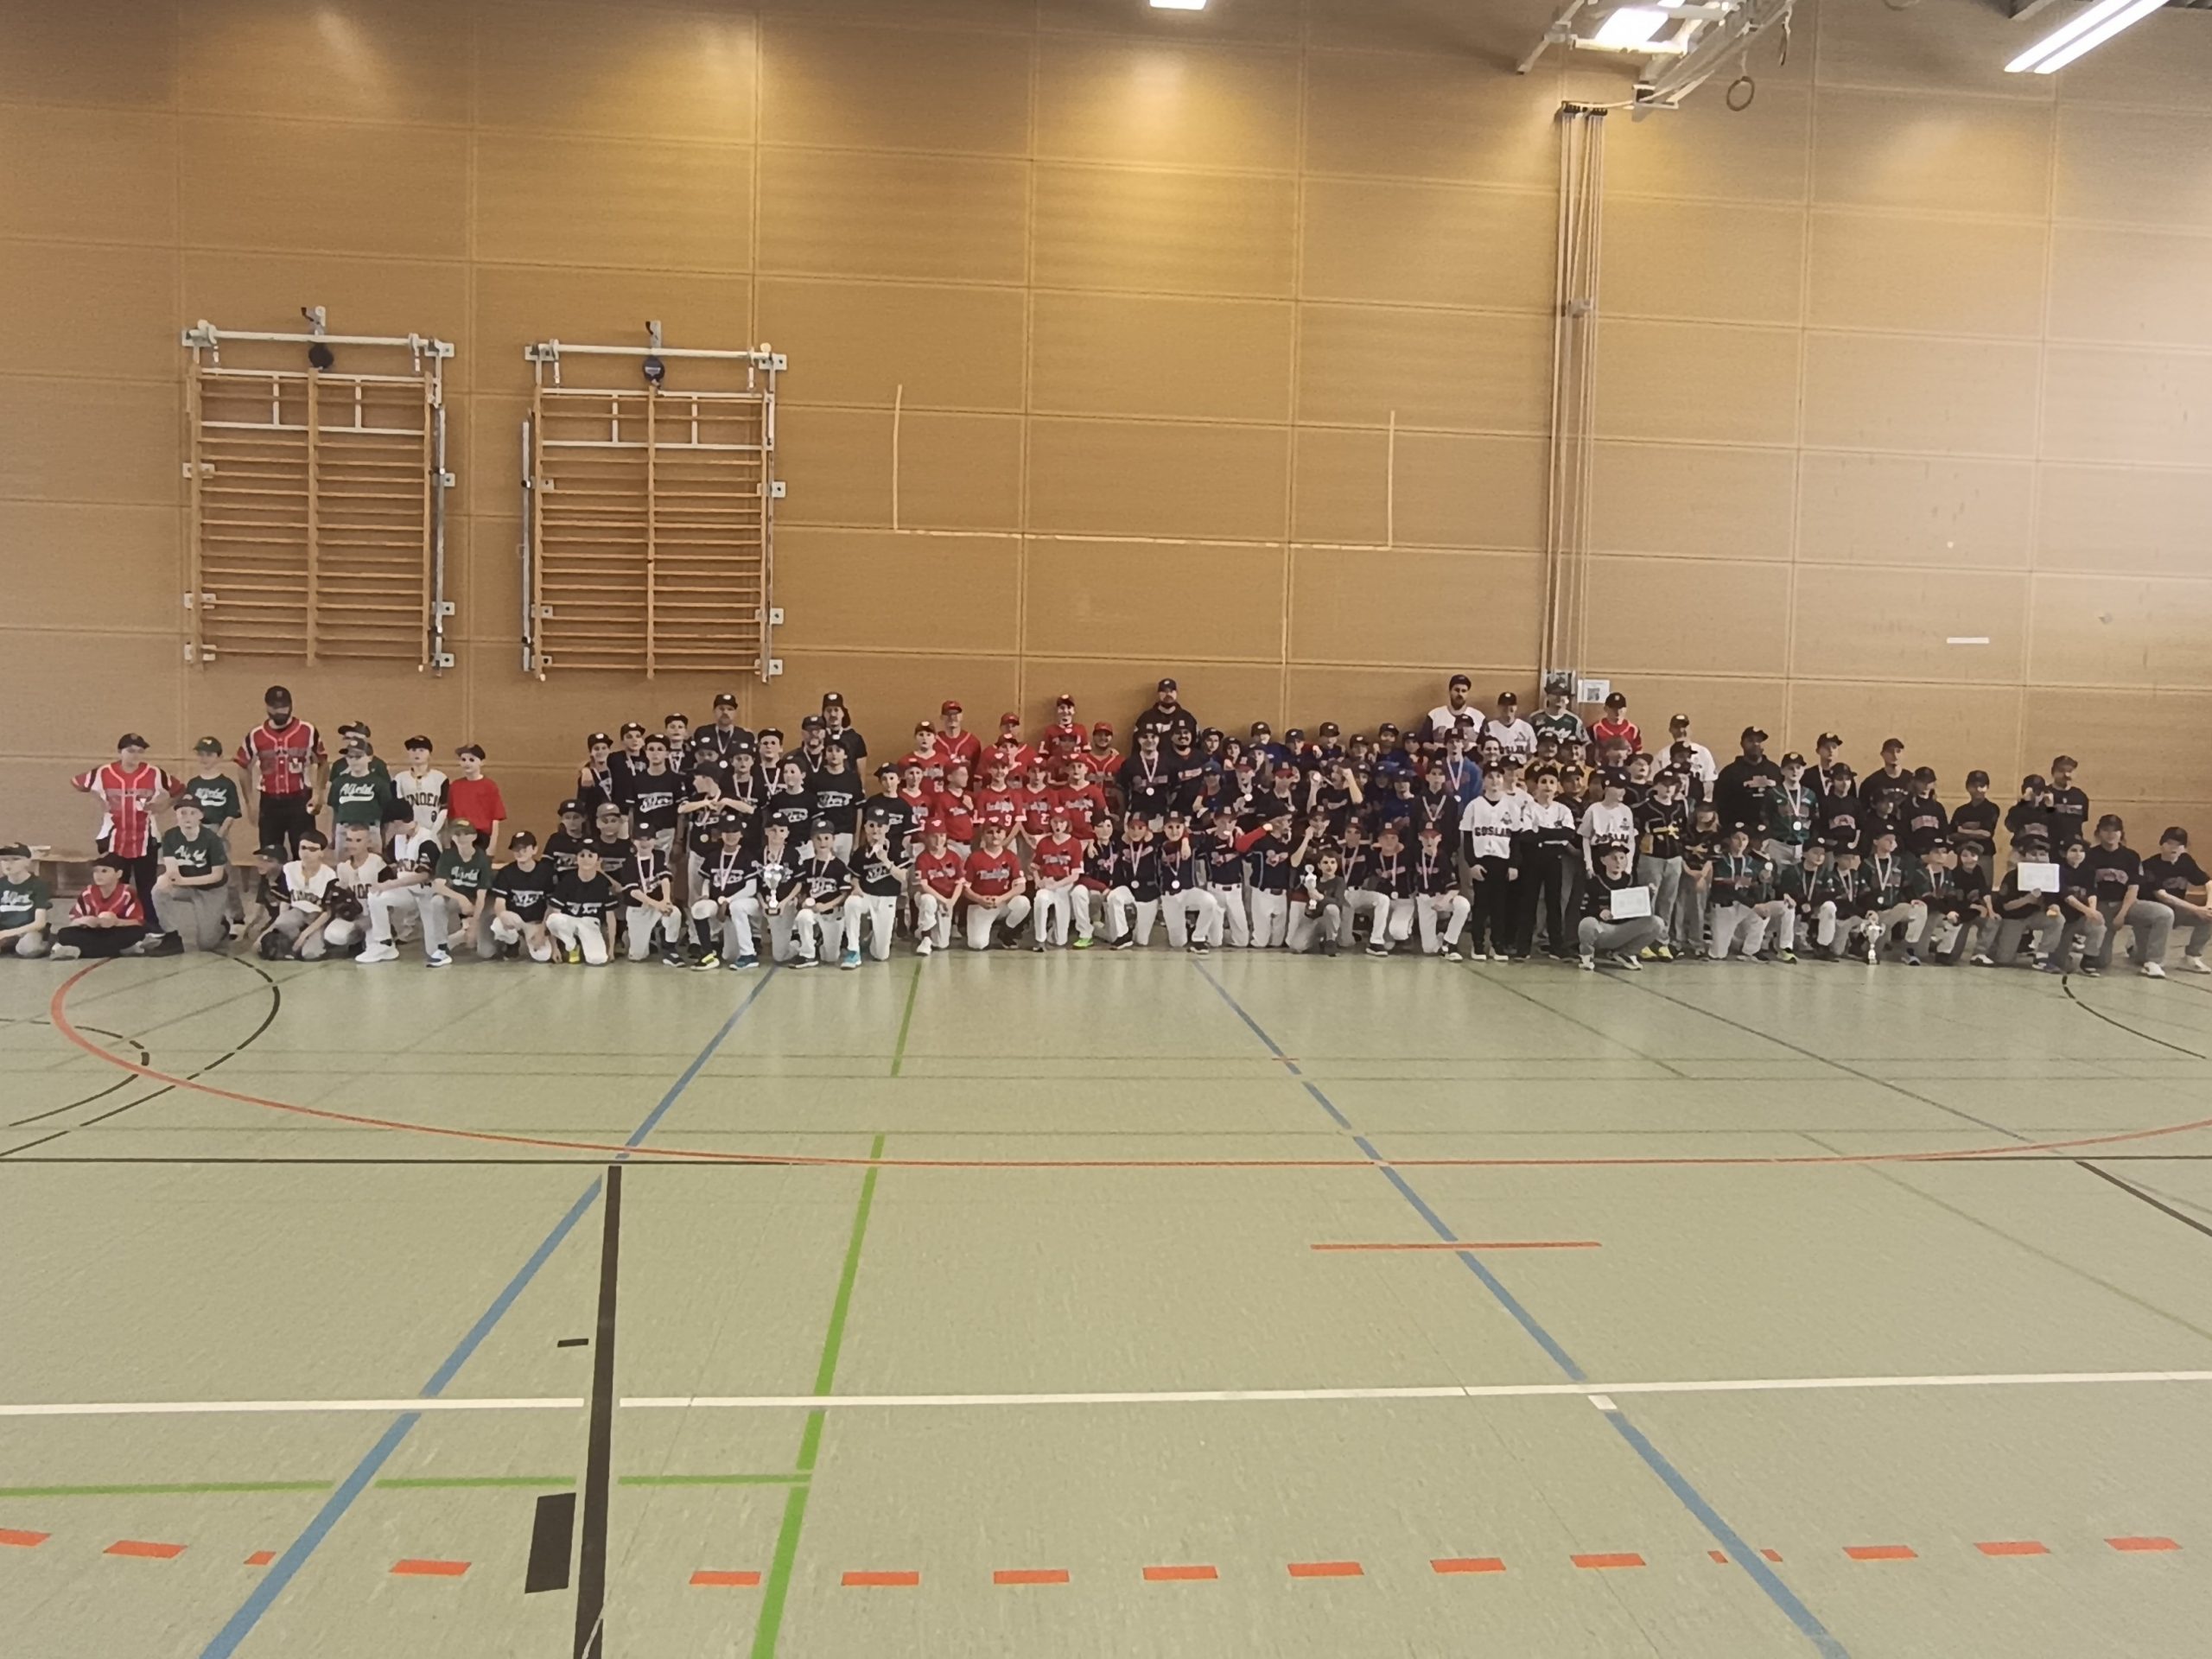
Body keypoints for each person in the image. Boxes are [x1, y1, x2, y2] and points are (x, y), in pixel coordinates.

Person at [72, 732, 175, 933]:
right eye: (130, 751)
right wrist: (98, 798)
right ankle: (115, 923)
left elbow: (178, 789)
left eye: (140, 751)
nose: (135, 755)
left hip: (146, 837)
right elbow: (78, 782)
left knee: (147, 885)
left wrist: (163, 806)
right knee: (115, 883)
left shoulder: (154, 773)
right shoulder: (103, 772)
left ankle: (149, 924)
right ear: (120, 751)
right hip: (112, 837)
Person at [238, 685, 323, 858]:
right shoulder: (256, 735)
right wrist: (250, 802)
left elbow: (322, 761)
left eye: (284, 706)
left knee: (303, 851)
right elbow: (242, 765)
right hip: (270, 802)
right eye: (275, 707)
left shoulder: (307, 730)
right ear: (267, 707)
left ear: (291, 706)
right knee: (270, 854)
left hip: (300, 799)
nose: (280, 711)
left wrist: (318, 793)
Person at [2082, 815, 2171, 978]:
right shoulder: (2090, 855)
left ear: (2121, 833)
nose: (2111, 834)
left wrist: (2122, 914)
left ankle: (2154, 962)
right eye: (2106, 830)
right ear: (2099, 832)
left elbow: (2133, 888)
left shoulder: (2131, 856)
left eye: (2115, 830)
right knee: (2101, 962)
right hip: (2102, 907)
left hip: (2127, 905)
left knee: (2164, 914)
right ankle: (2132, 948)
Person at [359, 812, 442, 966]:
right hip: (407, 892)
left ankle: (448, 944)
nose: (387, 829)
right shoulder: (398, 839)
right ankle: (384, 944)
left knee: (435, 952)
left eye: (389, 824)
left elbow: (424, 875)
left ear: (397, 822)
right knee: (376, 896)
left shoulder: (427, 840)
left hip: (429, 894)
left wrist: (390, 884)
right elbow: (391, 864)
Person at [149, 796, 232, 954]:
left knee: (205, 943)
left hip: (211, 889)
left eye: (193, 813)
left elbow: (216, 875)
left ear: (201, 815)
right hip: (185, 885)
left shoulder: (212, 839)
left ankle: (221, 926)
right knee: (159, 890)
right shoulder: (171, 836)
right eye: (183, 813)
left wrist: (182, 881)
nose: (187, 817)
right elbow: (172, 869)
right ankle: (172, 934)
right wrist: (168, 878)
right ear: (176, 815)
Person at [690, 811, 762, 970]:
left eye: (735, 831)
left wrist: (728, 901)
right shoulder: (713, 856)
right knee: (698, 909)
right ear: (720, 834)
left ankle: (749, 955)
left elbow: (751, 888)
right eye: (727, 831)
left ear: (741, 834)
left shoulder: (748, 856)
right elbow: (707, 879)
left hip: (743, 902)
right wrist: (705, 894)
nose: (731, 835)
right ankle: (707, 954)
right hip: (719, 902)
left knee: (737, 908)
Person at [268, 832, 352, 962]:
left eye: (312, 849)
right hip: (297, 913)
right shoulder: (289, 869)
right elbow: (285, 900)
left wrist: (304, 934)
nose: (306, 852)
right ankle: (295, 942)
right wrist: (280, 928)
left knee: (310, 954)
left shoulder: (329, 875)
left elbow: (327, 912)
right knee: (282, 922)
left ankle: (324, 943)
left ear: (321, 853)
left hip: (318, 918)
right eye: (303, 848)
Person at [1577, 842, 1662, 971]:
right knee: (1587, 923)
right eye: (1613, 858)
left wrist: (1648, 895)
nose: (1618, 862)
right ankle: (1587, 956)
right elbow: (1583, 909)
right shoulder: (1594, 882)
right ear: (1603, 860)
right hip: (1603, 930)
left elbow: (1639, 912)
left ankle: (1626, 953)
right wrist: (1599, 912)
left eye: (1622, 858)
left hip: (1624, 930)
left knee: (1657, 923)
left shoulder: (1632, 882)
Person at [48, 855, 149, 959]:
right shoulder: (88, 892)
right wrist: (84, 921)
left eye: (104, 871)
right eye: (95, 871)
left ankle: (81, 951)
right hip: (92, 933)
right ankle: (119, 950)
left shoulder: (127, 892)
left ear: (119, 874)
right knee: (64, 934)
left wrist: (116, 922)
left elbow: (138, 922)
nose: (98, 875)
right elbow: (73, 922)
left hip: (115, 931)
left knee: (137, 932)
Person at [2139, 829, 2209, 973]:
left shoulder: (2186, 861)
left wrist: (2208, 907)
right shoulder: (2149, 865)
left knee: (2209, 916)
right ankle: (2134, 945)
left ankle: (2192, 956)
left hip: (2177, 911)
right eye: (2170, 843)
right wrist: (2197, 909)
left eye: (2179, 845)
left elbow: (2209, 883)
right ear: (2162, 844)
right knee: (2139, 958)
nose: (2174, 848)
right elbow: (2162, 896)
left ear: (2185, 848)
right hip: (2153, 917)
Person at [842, 809, 906, 966]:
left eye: (880, 825)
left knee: (881, 955)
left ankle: (874, 937)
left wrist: (886, 861)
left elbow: (904, 877)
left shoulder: (896, 849)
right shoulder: (861, 852)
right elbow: (854, 876)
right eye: (872, 825)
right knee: (851, 903)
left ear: (887, 828)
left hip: (887, 898)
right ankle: (853, 950)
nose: (876, 830)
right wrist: (856, 887)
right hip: (867, 896)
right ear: (865, 827)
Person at [788, 819, 854, 968]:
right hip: (813, 911)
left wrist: (826, 905)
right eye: (818, 838)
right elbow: (801, 890)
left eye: (826, 838)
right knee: (803, 915)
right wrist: (803, 902)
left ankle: (819, 940)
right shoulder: (806, 865)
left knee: (830, 958)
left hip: (832, 913)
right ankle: (807, 954)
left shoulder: (839, 866)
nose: (822, 842)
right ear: (812, 840)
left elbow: (844, 894)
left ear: (833, 840)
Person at [431, 819, 497, 961]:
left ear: (474, 837)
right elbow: (438, 886)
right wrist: (461, 898)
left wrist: (474, 925)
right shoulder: (448, 856)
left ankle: (466, 934)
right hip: (460, 900)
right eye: (457, 834)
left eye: (466, 834)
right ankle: (442, 947)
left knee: (486, 952)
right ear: (452, 837)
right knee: (437, 901)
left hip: (481, 903)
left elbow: (481, 897)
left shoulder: (482, 859)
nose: (462, 838)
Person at [619, 823, 683, 966]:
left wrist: (666, 900)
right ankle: (631, 935)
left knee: (674, 913)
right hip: (639, 908)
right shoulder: (629, 861)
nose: (645, 843)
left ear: (655, 840)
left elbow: (665, 878)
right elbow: (634, 892)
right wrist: (657, 904)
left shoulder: (659, 856)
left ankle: (669, 949)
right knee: (637, 956)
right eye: (640, 839)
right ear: (633, 841)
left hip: (658, 905)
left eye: (648, 838)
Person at [960, 820, 1029, 950]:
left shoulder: (1011, 857)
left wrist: (1002, 898)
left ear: (1004, 834)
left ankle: (1005, 931)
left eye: (999, 832)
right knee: (978, 945)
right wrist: (979, 899)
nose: (995, 835)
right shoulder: (974, 858)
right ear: (983, 836)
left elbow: (1021, 886)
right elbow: (964, 888)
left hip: (1003, 903)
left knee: (1023, 903)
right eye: (990, 832)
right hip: (981, 905)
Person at [488, 832, 557, 963]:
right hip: (515, 921)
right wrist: (502, 914)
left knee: (542, 957)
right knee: (498, 924)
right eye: (516, 849)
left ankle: (531, 938)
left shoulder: (546, 872)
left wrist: (542, 930)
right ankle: (512, 943)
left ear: (535, 849)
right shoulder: (506, 872)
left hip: (537, 922)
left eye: (524, 849)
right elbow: (499, 903)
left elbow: (551, 906)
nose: (520, 853)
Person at [548, 844, 620, 966]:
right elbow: (555, 911)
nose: (586, 859)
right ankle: (572, 946)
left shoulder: (603, 883)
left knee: (597, 960)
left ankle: (585, 947)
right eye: (582, 855)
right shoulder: (567, 881)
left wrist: (611, 948)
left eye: (590, 856)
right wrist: (554, 948)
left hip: (591, 925)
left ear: (598, 860)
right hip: (570, 923)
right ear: (576, 859)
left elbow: (611, 919)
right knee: (553, 920)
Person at [1411, 817, 1471, 960]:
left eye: (1433, 836)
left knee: (1463, 905)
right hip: (1424, 900)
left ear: (1439, 838)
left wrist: (1445, 900)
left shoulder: (1443, 857)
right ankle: (1441, 937)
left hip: (1441, 897)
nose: (1429, 840)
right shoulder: (1414, 855)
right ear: (1419, 837)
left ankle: (1450, 943)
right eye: (1425, 836)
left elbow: (1454, 887)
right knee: (1429, 949)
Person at [1028, 804, 1083, 950]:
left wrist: (1056, 885)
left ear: (1067, 823)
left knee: (1060, 941)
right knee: (1041, 898)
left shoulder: (1075, 843)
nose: (1058, 825)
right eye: (1055, 822)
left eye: (1062, 822)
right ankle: (1040, 939)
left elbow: (1075, 875)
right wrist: (1038, 880)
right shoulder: (1044, 842)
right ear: (1050, 822)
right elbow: (1034, 866)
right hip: (1048, 883)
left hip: (1064, 886)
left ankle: (1053, 927)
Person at [2050, 837, 2106, 975]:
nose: (2078, 854)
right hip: (2063, 918)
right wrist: (2087, 911)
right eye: (2074, 850)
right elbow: (2066, 896)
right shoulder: (2058, 870)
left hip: (2081, 917)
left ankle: (2089, 960)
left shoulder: (2088, 870)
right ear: (2064, 853)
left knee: (2099, 925)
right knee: (2062, 965)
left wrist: (2092, 911)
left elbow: (2092, 892)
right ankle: (2061, 953)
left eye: (2081, 851)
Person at [912, 817, 965, 957]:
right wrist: (944, 900)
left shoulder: (954, 856)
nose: (938, 840)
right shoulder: (922, 858)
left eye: (941, 835)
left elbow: (960, 883)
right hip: (929, 896)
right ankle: (926, 938)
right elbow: (923, 886)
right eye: (933, 836)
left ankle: (921, 931)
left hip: (947, 900)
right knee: (928, 900)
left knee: (941, 944)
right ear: (926, 837)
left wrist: (951, 902)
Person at [1713, 727, 1781, 831]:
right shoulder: (1729, 773)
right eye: (1750, 740)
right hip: (1739, 831)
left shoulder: (1775, 771)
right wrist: (1730, 829)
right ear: (1742, 744)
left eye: (1759, 741)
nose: (1755, 744)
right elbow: (1720, 804)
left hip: (1772, 831)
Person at [1287, 842, 1348, 956]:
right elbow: (1309, 908)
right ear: (1319, 866)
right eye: (1325, 862)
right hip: (1314, 919)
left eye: (1332, 862)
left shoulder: (1339, 881)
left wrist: (1321, 897)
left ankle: (1331, 942)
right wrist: (1310, 906)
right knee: (1296, 947)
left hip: (1331, 920)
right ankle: (1318, 940)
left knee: (1332, 908)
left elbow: (1338, 902)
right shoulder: (1313, 881)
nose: (1329, 866)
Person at [0, 842, 55, 958]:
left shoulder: (39, 885)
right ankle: (8, 946)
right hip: (4, 930)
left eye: (15, 859)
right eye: (4, 860)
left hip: (28, 931)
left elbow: (39, 923)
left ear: (27, 862)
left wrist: (8, 933)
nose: (8, 863)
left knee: (28, 949)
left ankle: (50, 945)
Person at [392, 736, 449, 839]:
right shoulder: (399, 778)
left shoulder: (440, 778)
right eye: (413, 750)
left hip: (434, 833)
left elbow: (444, 809)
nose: (417, 753)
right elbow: (397, 810)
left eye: (422, 750)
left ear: (429, 754)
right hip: (408, 834)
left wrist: (434, 833)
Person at [2047, 756, 2089, 846]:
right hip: (2051, 844)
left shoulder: (2080, 796)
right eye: (2061, 770)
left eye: (2070, 771)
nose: (2066, 775)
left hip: (2074, 846)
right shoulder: (2045, 793)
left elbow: (2082, 820)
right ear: (2053, 772)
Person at [1589, 691, 1639, 759]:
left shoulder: (1633, 729)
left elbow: (1638, 753)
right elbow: (1590, 752)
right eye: (1614, 709)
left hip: (1626, 764)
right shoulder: (1595, 728)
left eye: (1620, 709)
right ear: (1606, 709)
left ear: (1625, 709)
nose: (1617, 712)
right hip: (1603, 763)